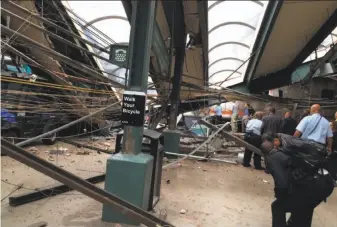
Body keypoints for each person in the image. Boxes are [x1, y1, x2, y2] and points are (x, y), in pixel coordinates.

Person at [261, 134, 335, 227]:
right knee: (303, 209)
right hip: (326, 181)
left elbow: (282, 183)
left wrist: (280, 195)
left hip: (312, 185)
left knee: (278, 207)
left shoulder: (274, 157)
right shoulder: (293, 146)